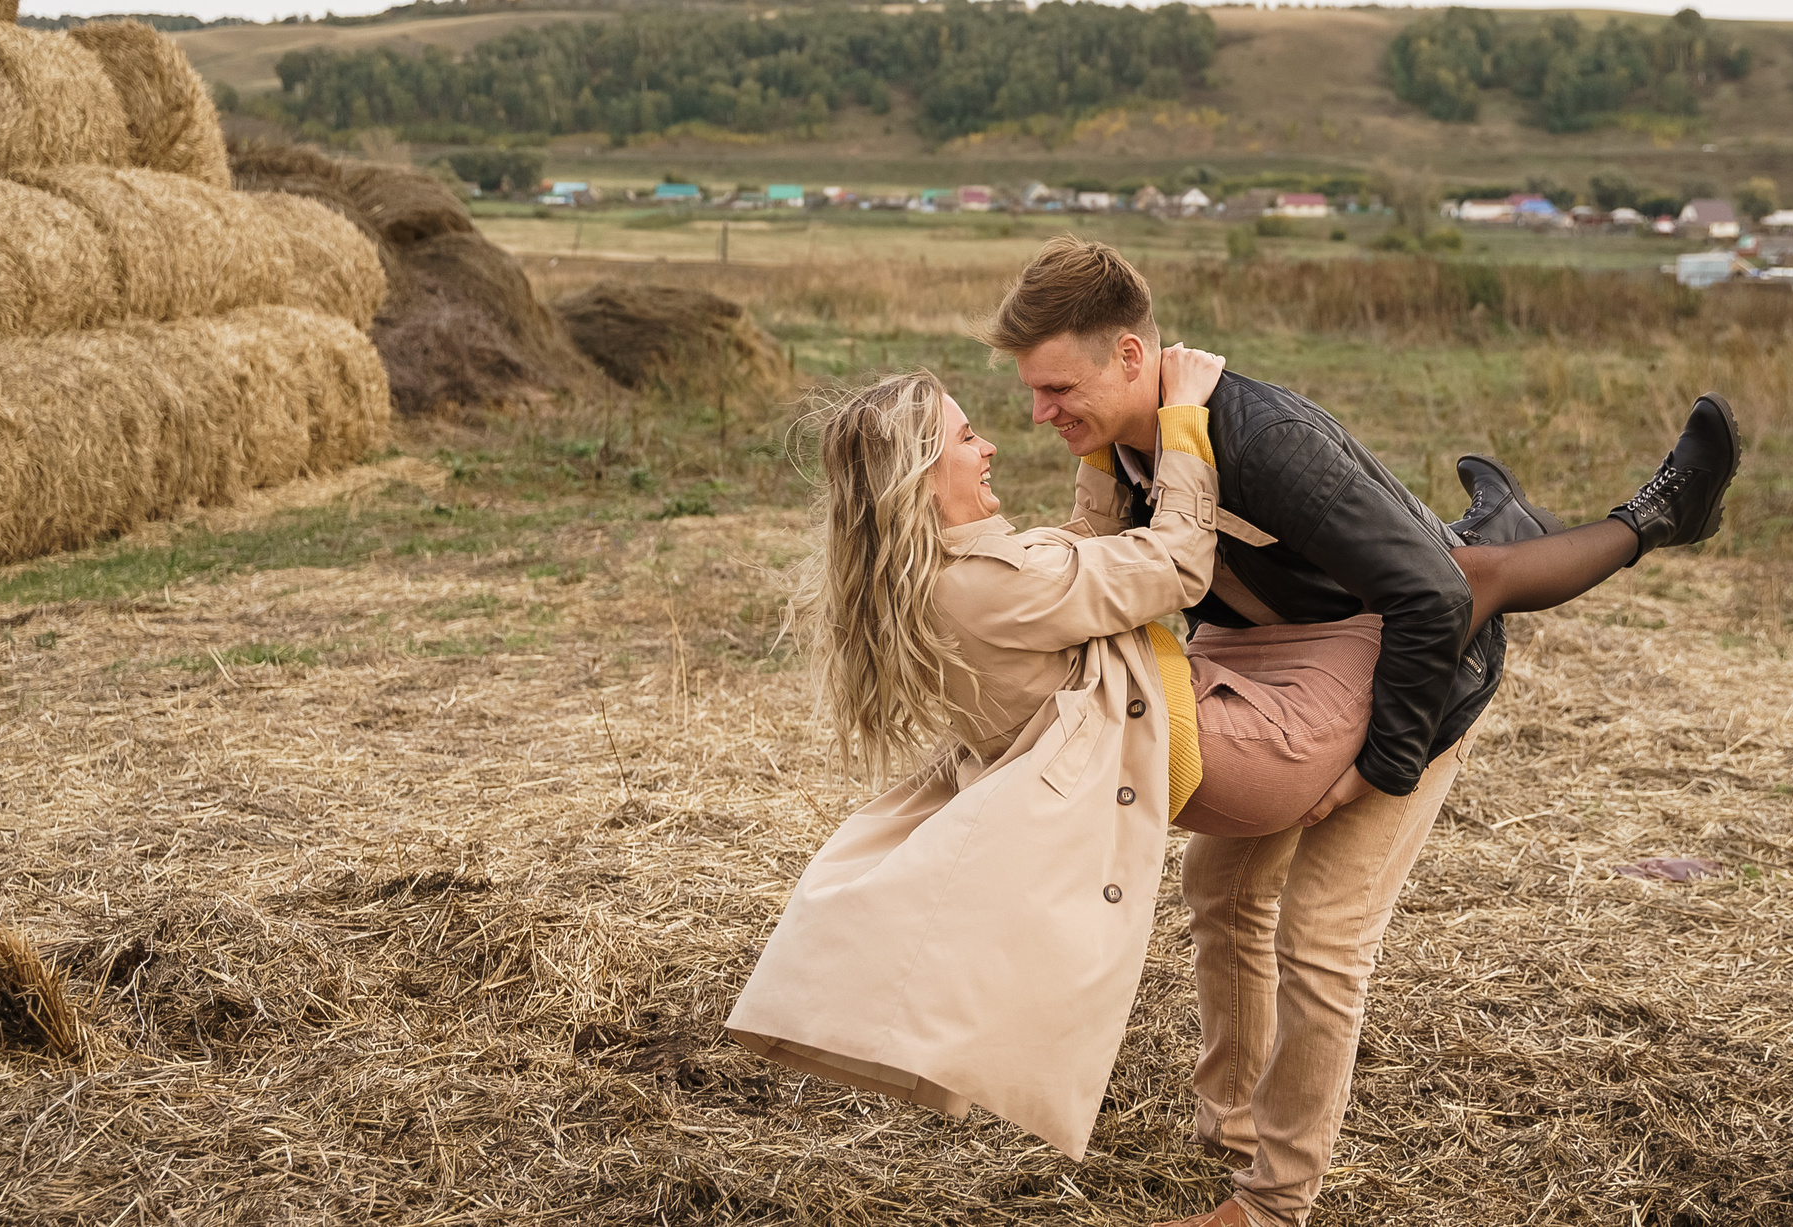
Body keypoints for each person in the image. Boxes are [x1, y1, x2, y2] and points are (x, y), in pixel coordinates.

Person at [726, 237, 1737, 1194]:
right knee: (1240, 876)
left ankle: (1650, 515)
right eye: (1010, 405)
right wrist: (1152, 431)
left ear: (1129, 357)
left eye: (1054, 391)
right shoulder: (1077, 498)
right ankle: (1233, 1130)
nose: (1025, 420)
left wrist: (1381, 767)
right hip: (1248, 683)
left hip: (1372, 679)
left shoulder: (1245, 446)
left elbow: (1409, 604)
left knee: (1455, 590)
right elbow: (1138, 556)